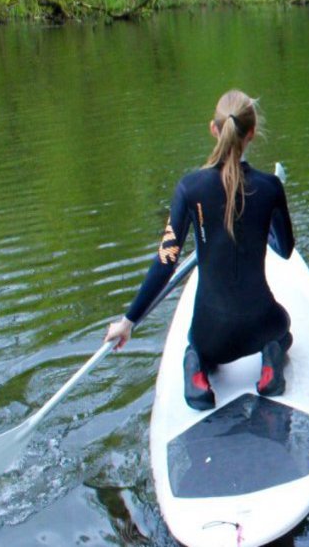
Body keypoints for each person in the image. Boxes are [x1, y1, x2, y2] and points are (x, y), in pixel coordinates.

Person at [104, 90, 295, 410]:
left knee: (196, 347)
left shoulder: (189, 188)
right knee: (283, 329)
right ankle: (269, 364)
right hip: (262, 326)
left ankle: (197, 372)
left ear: (213, 129)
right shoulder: (270, 187)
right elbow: (286, 249)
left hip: (211, 336)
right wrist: (270, 219)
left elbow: (166, 261)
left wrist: (128, 321)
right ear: (252, 133)